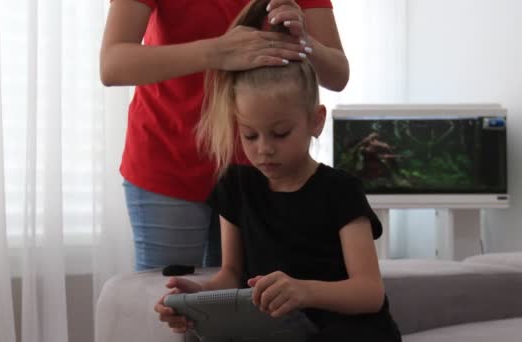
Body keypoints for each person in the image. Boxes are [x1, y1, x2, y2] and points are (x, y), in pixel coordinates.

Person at [153, 2, 402, 341]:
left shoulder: (341, 192)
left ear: (316, 121)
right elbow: (231, 274)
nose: (263, 149)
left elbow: (369, 292)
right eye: (249, 135)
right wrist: (197, 298)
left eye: (280, 133)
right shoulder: (237, 187)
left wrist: (303, 292)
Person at [100, 0, 349, 271]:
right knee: (168, 299)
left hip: (258, 171)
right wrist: (217, 51)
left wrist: (305, 42)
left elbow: (337, 75)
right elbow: (113, 65)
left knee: (247, 300)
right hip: (167, 160)